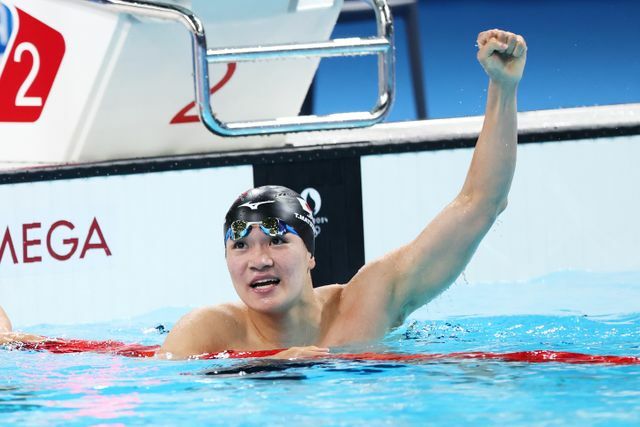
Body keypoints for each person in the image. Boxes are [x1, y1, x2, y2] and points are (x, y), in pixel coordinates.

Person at [1, 29, 527, 360]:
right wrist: (279, 361)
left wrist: (502, 89)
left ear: (312, 252)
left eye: (276, 238)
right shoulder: (209, 332)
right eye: (241, 245)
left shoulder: (369, 302)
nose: (258, 259)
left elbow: (480, 203)